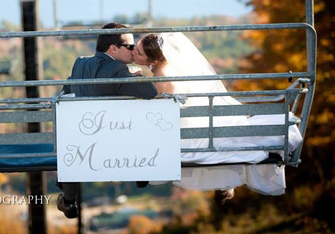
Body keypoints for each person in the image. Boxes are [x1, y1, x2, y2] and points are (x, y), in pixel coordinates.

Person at [132, 32, 303, 202]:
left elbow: (163, 110)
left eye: (138, 52)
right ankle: (224, 184)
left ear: (153, 61)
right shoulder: (168, 68)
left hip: (185, 134)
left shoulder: (164, 75)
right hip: (192, 126)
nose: (133, 52)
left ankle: (142, 170)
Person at [57, 23, 158, 218]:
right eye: (130, 47)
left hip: (79, 147)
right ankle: (142, 171)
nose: (133, 51)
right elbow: (151, 92)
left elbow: (66, 90)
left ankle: (69, 200)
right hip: (114, 146)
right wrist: (134, 77)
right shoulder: (117, 70)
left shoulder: (80, 64)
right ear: (113, 48)